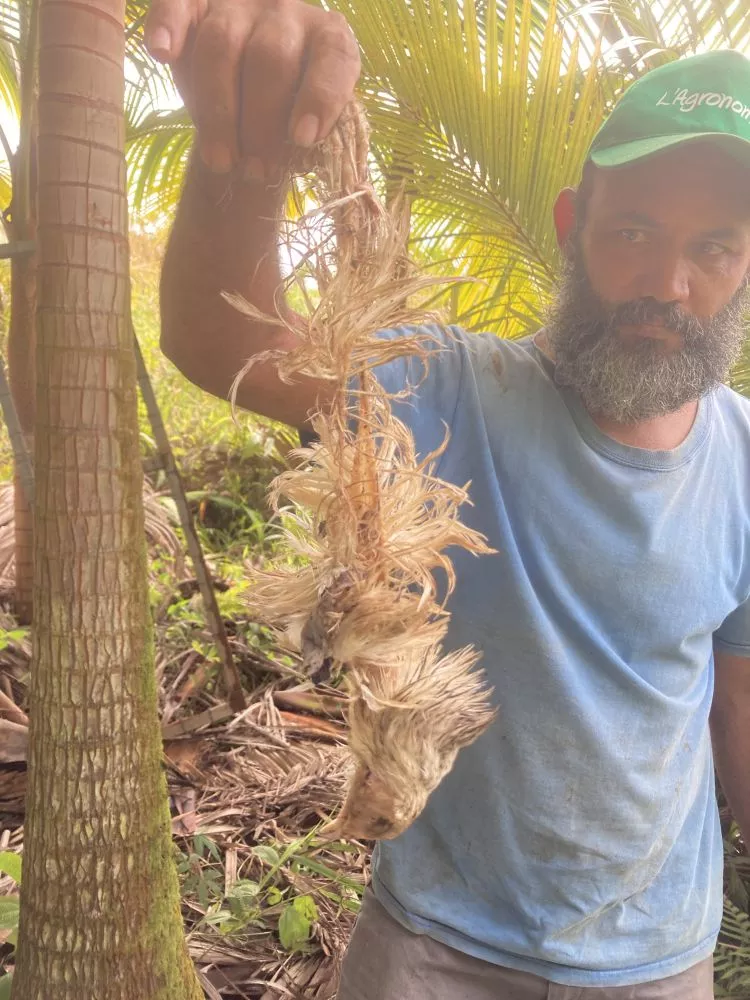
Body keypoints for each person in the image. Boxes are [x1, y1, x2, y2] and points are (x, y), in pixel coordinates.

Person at [144, 3, 750, 995]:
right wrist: (247, 152)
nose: (669, 283)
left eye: (715, 248)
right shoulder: (448, 388)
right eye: (634, 231)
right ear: (572, 227)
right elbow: (218, 342)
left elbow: (738, 698)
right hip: (437, 947)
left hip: (659, 958)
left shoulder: (747, 462)